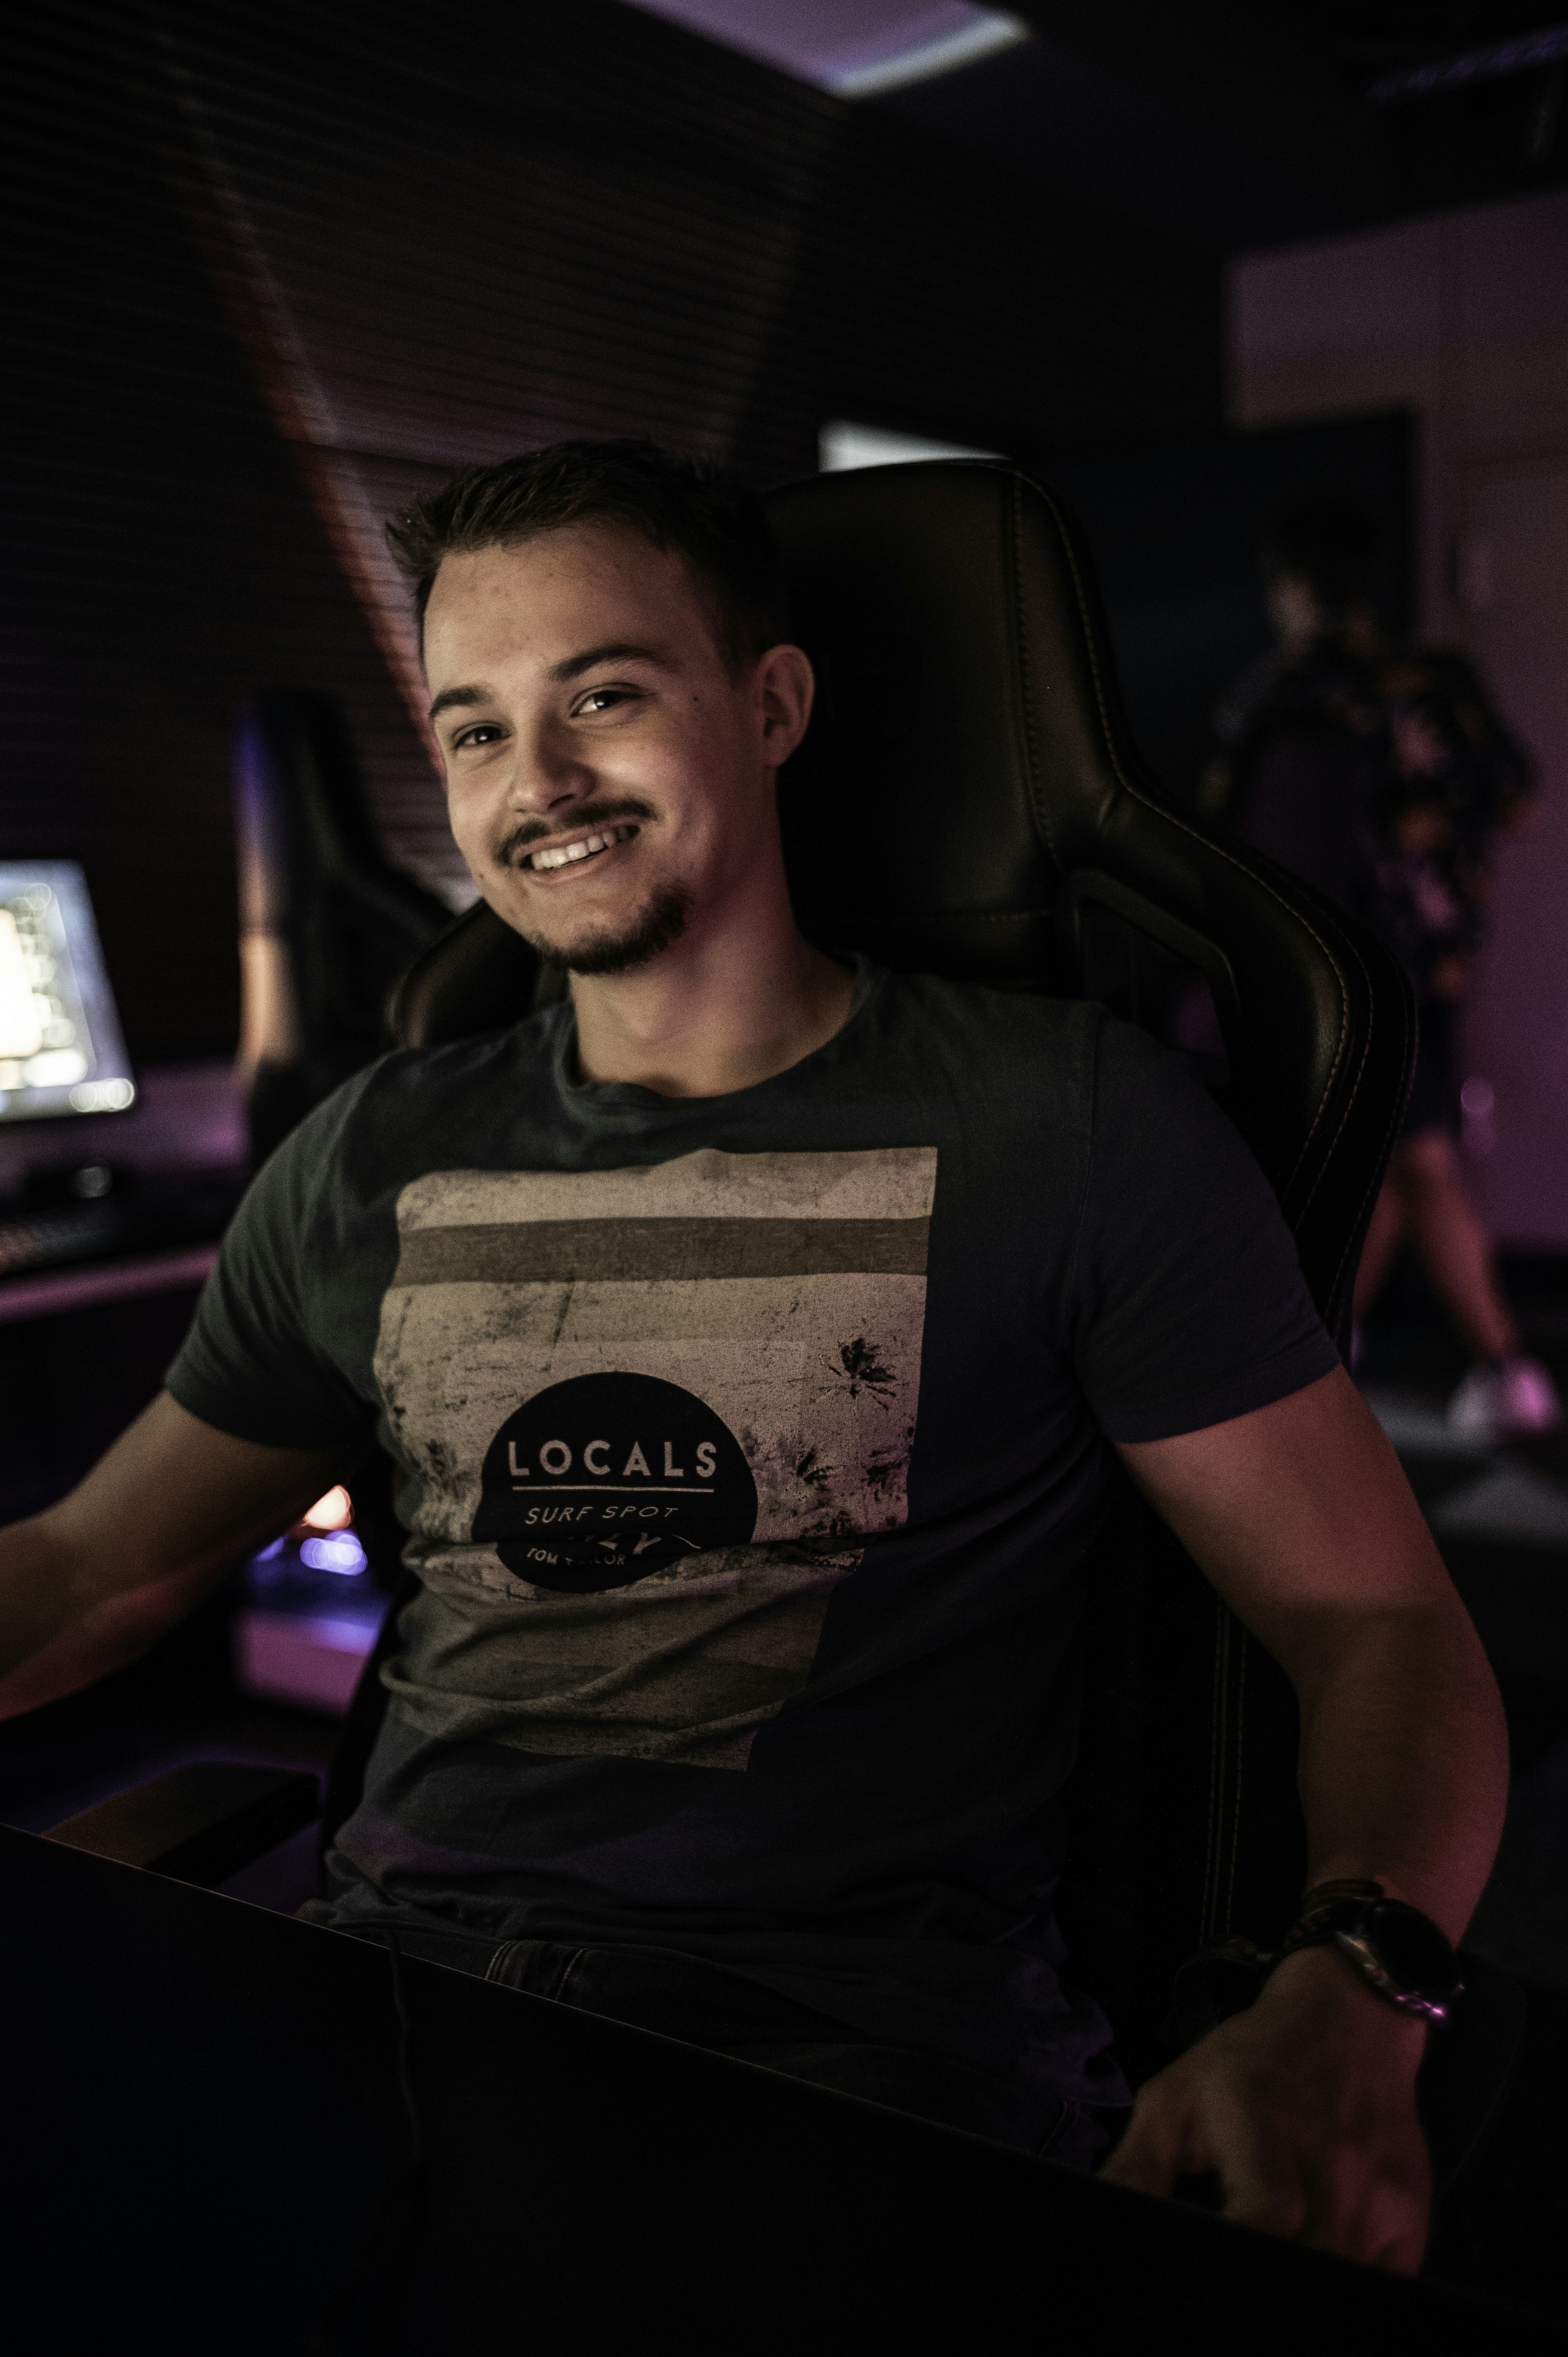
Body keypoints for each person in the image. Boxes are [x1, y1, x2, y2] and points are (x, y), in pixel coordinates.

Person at [0, 443, 1507, 2272]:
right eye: (473, 730)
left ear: (771, 701)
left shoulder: (1068, 1125)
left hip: (844, 2066)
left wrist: (1356, 1988)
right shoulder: (371, 1151)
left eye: (603, 697)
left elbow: (1377, 1620)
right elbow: (93, 1566)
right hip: (389, 2004)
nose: (533, 784)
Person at [1207, 494, 1558, 1442]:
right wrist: (1432, 837)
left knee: (1414, 1161)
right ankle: (1335, 1342)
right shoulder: (1434, 678)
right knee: (1402, 1160)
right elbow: (1516, 801)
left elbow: (1226, 841)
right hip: (1429, 966)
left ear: (1289, 587)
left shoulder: (1280, 693)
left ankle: (1507, 1369)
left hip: (1329, 971)